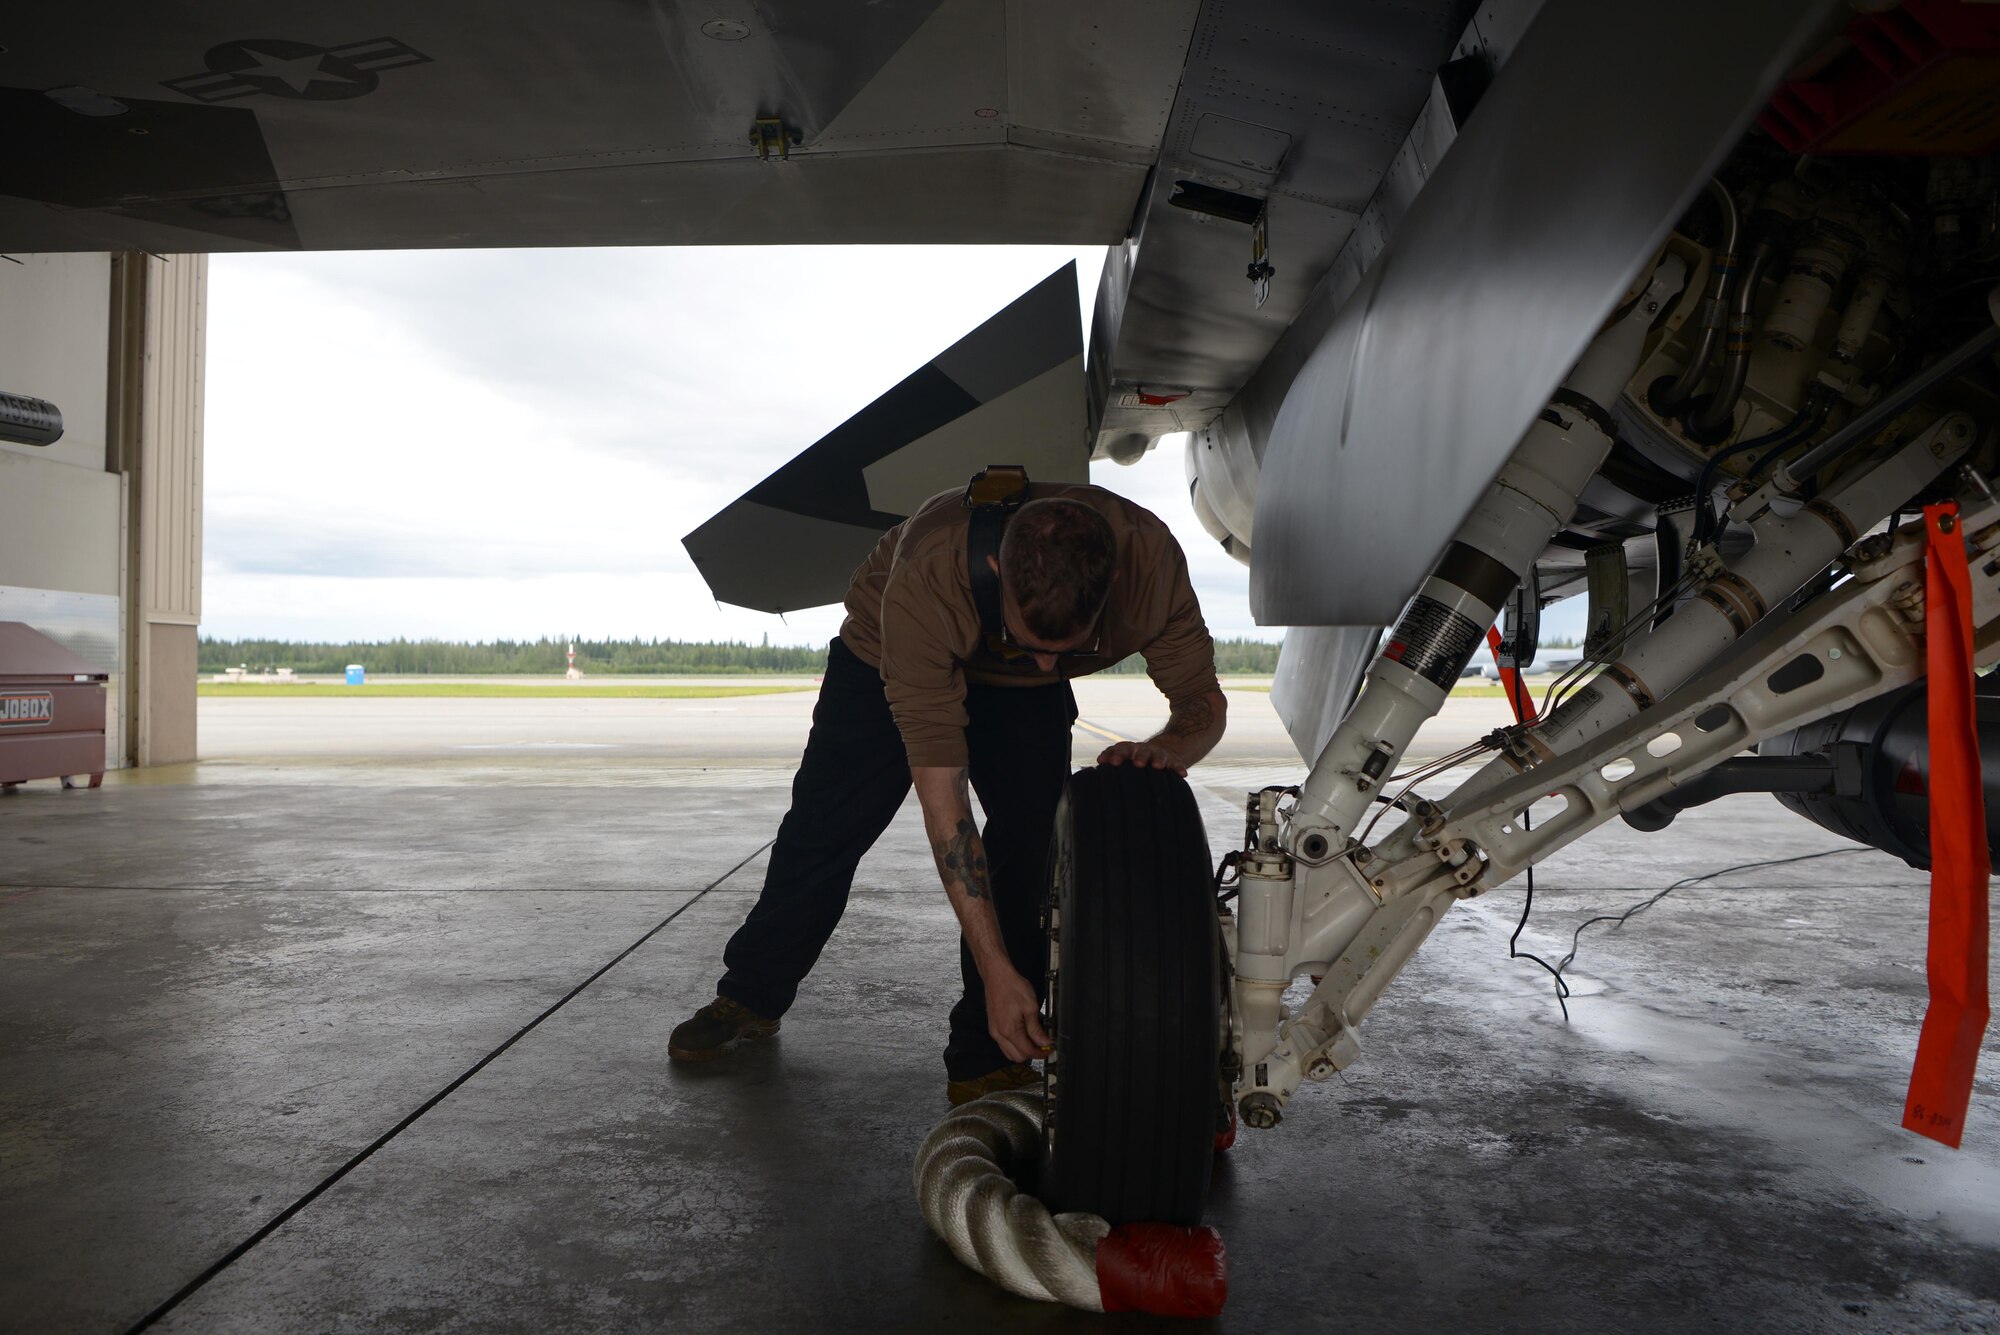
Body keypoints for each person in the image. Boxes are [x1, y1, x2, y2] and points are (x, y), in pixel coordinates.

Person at [668, 474, 1226, 1103]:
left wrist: (1168, 749)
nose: (1050, 664)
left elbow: (1202, 702)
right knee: (825, 829)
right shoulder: (930, 581)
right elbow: (946, 807)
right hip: (887, 658)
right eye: (1033, 642)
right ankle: (749, 994)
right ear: (997, 569)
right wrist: (996, 969)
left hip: (1020, 701)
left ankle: (989, 1052)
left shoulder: (1149, 564)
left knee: (1036, 839)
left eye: (1065, 650)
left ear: (1112, 592)